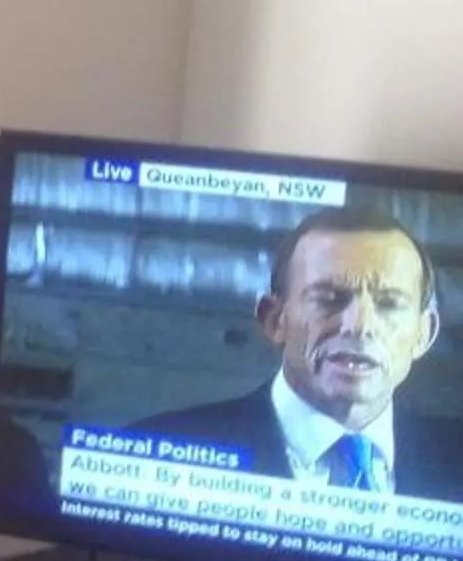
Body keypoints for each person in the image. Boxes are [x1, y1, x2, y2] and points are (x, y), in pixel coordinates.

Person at [139, 206, 463, 499]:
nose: (360, 326)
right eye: (329, 299)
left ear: (424, 334)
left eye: (389, 303)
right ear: (274, 319)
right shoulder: (157, 449)